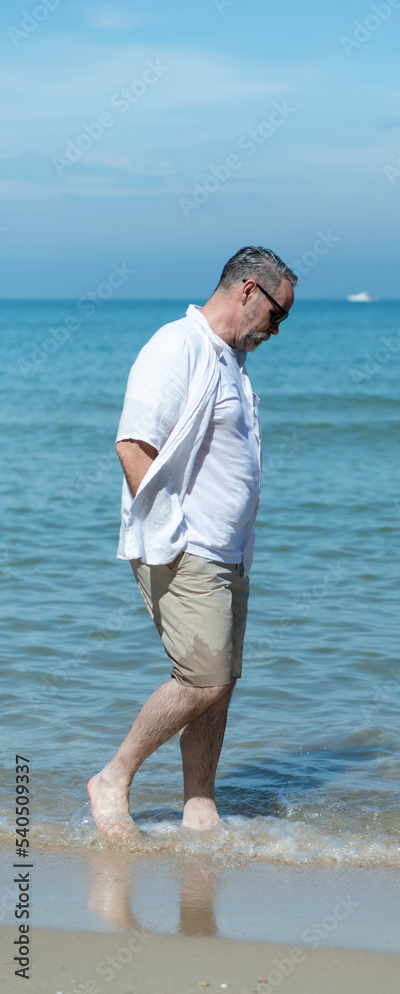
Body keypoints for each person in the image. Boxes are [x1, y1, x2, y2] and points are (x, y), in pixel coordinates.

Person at [87, 246, 297, 839]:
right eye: (278, 314)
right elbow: (133, 444)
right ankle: (113, 777)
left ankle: (199, 806)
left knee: (220, 681)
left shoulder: (231, 360)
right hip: (186, 547)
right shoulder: (178, 344)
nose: (278, 330)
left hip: (229, 552)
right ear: (249, 290)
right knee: (204, 677)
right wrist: (172, 536)